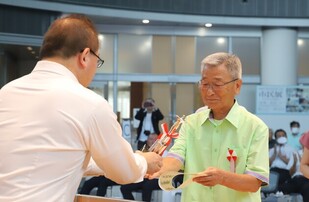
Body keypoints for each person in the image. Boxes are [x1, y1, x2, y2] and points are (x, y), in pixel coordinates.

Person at [0, 14, 162, 202]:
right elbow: (124, 173)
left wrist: (116, 163)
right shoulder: (89, 104)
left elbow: (57, 157)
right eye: (98, 61)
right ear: (85, 56)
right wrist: (144, 161)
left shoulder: (6, 92)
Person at [150, 52, 269, 202]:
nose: (209, 92)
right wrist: (158, 167)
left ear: (237, 86)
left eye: (217, 84)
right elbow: (177, 157)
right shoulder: (192, 122)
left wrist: (222, 178)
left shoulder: (255, 127)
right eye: (205, 84)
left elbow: (254, 183)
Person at [121, 133, 162, 202]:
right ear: (147, 140)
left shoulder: (164, 152)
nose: (153, 141)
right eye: (151, 139)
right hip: (145, 177)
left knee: (147, 186)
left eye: (155, 140)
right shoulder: (143, 151)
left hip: (157, 178)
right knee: (124, 187)